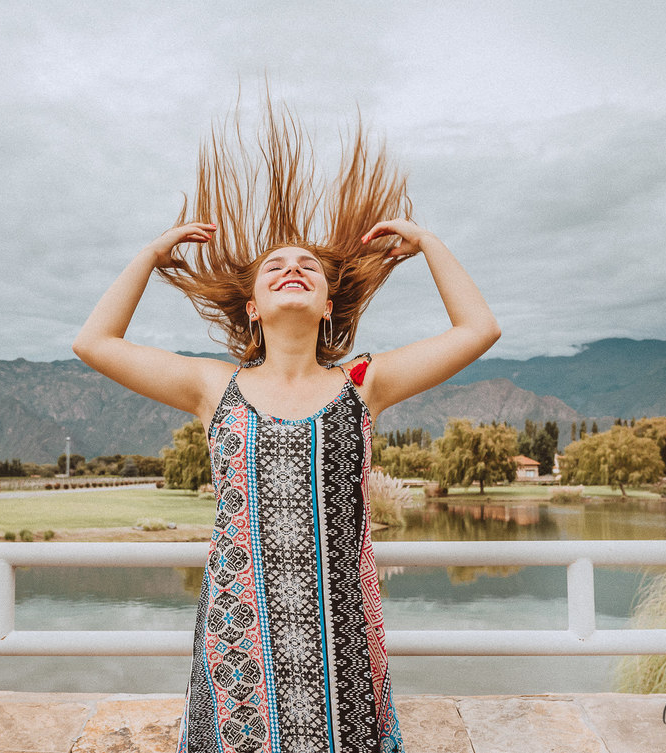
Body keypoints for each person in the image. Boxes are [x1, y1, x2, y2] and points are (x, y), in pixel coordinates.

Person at [73, 104, 500, 753]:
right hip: (240, 644)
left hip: (342, 642)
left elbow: (478, 329)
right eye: (274, 266)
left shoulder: (364, 382)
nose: (291, 267)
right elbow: (95, 342)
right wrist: (151, 254)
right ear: (253, 307)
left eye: (308, 265)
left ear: (328, 305)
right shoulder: (215, 387)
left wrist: (430, 244)